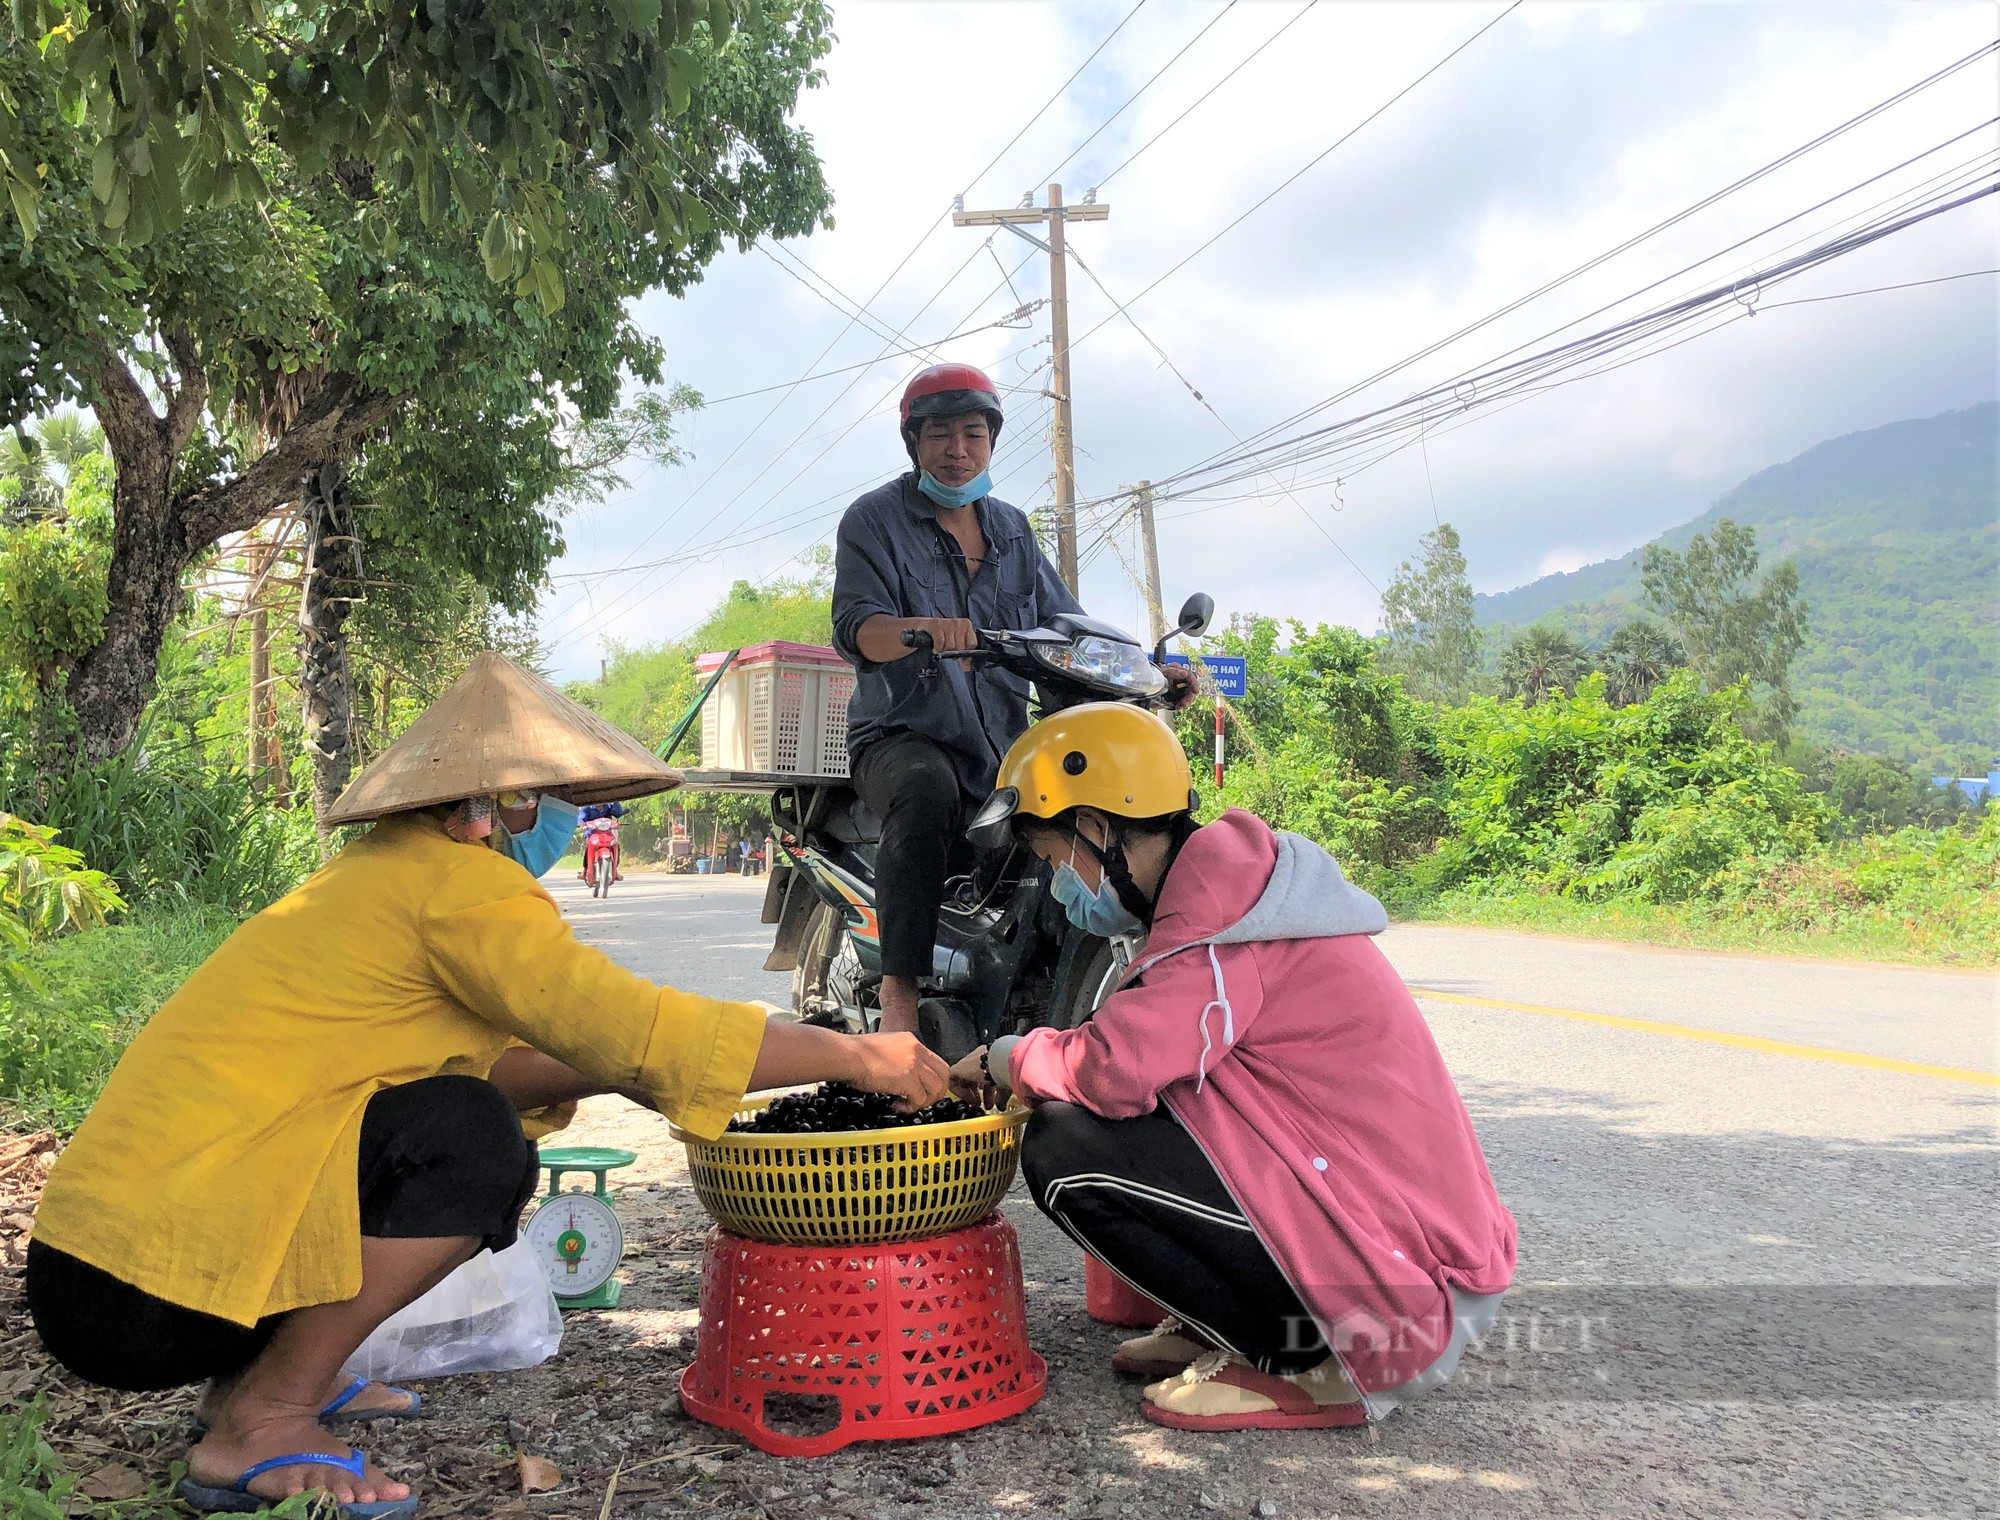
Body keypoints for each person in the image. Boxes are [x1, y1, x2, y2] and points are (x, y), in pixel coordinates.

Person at [26, 653, 947, 1519]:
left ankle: (255, 1377)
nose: (550, 821)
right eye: (538, 800)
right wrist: (860, 1056)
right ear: (490, 804)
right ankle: (261, 1419)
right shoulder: (460, 887)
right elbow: (633, 1029)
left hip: (100, 1269)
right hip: (145, 1291)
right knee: (471, 1145)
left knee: (456, 1113)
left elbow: (519, 1061)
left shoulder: (379, 880)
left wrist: (640, 1074)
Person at [948, 703, 1515, 1432]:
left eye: (1056, 859)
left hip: (1397, 1302)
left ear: (1096, 830)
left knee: (1065, 1146)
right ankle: (1233, 1323)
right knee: (1106, 1118)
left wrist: (1005, 1058)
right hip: (1407, 1258)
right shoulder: (1231, 894)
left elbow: (1114, 1069)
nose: (1060, 884)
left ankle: (1318, 1367)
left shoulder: (1218, 931)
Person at [831, 363, 1189, 1036]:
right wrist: (919, 631)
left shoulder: (1012, 531)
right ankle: (902, 1002)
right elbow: (858, 629)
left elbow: (1069, 628)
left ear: (992, 443)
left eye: (974, 434)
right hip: (900, 736)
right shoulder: (874, 520)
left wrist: (1151, 673)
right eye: (941, 435)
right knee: (926, 792)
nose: (958, 450)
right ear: (914, 443)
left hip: (998, 740)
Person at [576, 799, 624, 882]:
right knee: (587, 849)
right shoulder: (587, 807)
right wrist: (582, 824)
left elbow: (618, 813)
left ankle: (615, 870)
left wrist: (616, 800)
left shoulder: (609, 806)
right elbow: (581, 818)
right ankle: (585, 870)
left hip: (607, 834)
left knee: (616, 846)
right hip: (592, 834)